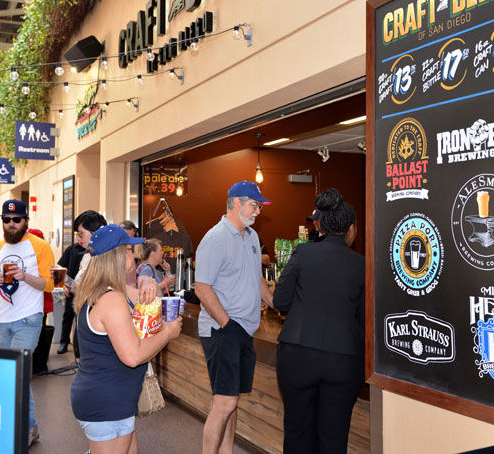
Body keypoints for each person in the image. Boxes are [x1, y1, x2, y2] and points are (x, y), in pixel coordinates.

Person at [70, 224, 182, 454]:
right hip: (107, 402)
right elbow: (133, 356)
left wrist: (147, 281)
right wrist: (168, 332)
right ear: (119, 255)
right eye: (130, 249)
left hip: (114, 399)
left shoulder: (107, 290)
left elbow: (150, 298)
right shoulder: (111, 300)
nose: (135, 254)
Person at [273, 189, 365, 454]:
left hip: (298, 354)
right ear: (351, 229)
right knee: (334, 439)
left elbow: (281, 301)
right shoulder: (362, 265)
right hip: (344, 360)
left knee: (298, 432)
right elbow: (362, 318)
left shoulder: (302, 254)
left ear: (320, 225)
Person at [194, 181, 275, 454]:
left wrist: (275, 303)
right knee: (225, 402)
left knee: (231, 400)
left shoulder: (251, 237)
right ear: (237, 203)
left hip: (243, 331)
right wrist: (228, 325)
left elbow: (257, 278)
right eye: (255, 205)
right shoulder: (215, 238)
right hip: (222, 330)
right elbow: (202, 288)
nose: (258, 211)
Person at [0, 199, 55, 446]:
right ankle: (29, 426)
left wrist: (25, 276)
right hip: (1, 321)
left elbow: (49, 284)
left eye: (16, 220)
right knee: (8, 376)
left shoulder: (40, 246)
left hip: (28, 319)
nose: (11, 224)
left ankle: (25, 427)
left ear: (26, 220)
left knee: (17, 373)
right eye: (7, 220)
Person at [57, 210, 106, 356]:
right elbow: (79, 288)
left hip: (98, 321)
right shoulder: (87, 255)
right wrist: (64, 281)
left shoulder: (106, 257)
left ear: (95, 233)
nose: (78, 238)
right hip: (86, 318)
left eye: (81, 233)